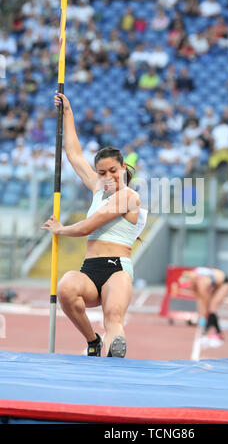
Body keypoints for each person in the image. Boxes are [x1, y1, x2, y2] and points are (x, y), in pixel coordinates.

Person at [41, 92, 148, 358]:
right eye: (101, 173)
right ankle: (93, 340)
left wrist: (61, 229)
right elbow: (74, 155)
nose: (107, 176)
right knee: (66, 287)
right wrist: (67, 112)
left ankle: (115, 347)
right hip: (90, 268)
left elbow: (89, 225)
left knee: (113, 316)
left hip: (117, 269)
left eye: (113, 170)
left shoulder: (129, 197)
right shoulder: (99, 189)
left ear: (123, 168)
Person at [178, 267, 228, 340]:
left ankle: (216, 331)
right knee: (210, 308)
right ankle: (210, 328)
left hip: (225, 283)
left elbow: (205, 302)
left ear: (191, 283)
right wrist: (201, 317)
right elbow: (200, 302)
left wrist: (203, 319)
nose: (186, 289)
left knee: (212, 307)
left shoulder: (201, 283)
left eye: (187, 287)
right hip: (215, 284)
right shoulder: (195, 282)